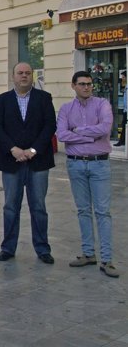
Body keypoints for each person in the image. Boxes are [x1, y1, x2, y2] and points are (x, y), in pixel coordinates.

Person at [0, 62, 56, 264]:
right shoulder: (2, 100)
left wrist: (33, 150)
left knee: (38, 206)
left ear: (32, 76)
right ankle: (8, 248)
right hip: (11, 161)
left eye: (28, 73)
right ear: (13, 76)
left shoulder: (44, 98)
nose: (24, 76)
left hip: (39, 161)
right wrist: (14, 149)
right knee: (10, 206)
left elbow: (49, 126)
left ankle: (43, 249)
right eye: (20, 73)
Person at [57, 71, 119, 277]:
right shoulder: (66, 109)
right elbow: (61, 134)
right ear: (73, 85)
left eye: (89, 84)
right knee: (83, 210)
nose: (86, 87)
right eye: (82, 84)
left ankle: (107, 259)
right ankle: (88, 253)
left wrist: (77, 132)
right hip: (75, 165)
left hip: (99, 165)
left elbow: (104, 129)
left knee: (103, 212)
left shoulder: (102, 105)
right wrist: (88, 135)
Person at [114, 70, 126, 146]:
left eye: (124, 77)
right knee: (123, 125)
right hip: (125, 109)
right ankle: (122, 141)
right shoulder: (125, 86)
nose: (122, 79)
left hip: (126, 110)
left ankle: (122, 141)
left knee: (124, 125)